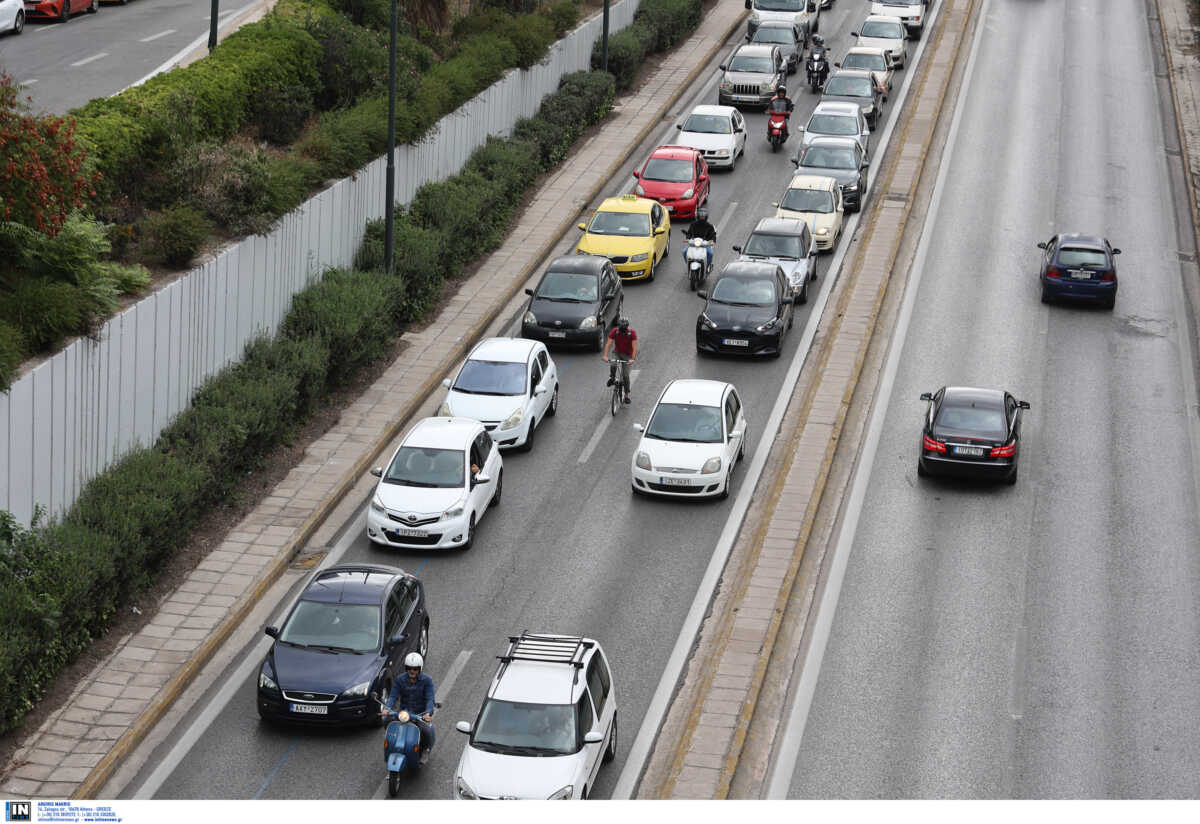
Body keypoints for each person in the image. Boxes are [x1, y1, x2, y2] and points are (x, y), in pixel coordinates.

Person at [383, 652, 436, 766]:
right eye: (409, 668)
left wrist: (428, 713)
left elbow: (430, 699)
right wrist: (387, 708)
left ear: (419, 669)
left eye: (415, 669)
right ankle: (391, 744)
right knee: (386, 721)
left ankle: (426, 750)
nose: (412, 671)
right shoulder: (400, 680)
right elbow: (393, 696)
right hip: (404, 713)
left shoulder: (427, 681)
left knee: (427, 730)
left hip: (419, 714)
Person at [603, 317, 637, 404]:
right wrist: (605, 356)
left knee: (625, 375)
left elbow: (634, 347)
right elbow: (608, 344)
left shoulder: (632, 333)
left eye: (623, 329)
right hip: (617, 353)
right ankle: (612, 378)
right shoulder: (615, 331)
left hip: (627, 356)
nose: (621, 331)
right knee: (613, 364)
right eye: (620, 328)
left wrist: (632, 359)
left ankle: (626, 395)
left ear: (627, 327)